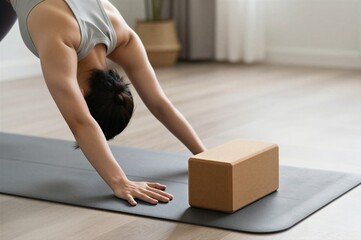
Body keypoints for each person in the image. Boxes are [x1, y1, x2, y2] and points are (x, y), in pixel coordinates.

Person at [1, 0, 207, 206]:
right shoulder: (61, 42)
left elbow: (160, 102)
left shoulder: (121, 35)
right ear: (81, 96)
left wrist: (204, 155)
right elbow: (81, 122)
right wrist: (120, 182)